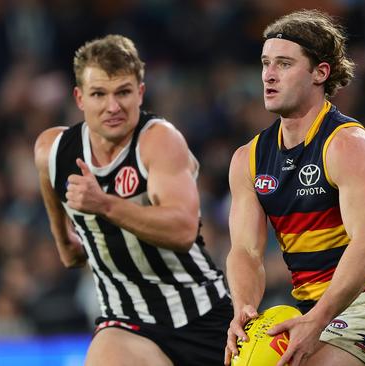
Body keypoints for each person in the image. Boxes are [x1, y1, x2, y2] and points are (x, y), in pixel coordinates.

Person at [224, 10, 365, 366]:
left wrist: (319, 317)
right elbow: (246, 252)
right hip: (309, 311)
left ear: (320, 72)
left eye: (284, 64)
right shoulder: (247, 159)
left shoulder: (347, 144)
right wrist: (244, 310)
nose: (268, 75)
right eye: (265, 63)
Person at [33, 34, 232, 366]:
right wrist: (72, 242)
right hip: (126, 323)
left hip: (202, 316)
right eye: (99, 94)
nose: (113, 107)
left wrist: (105, 205)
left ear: (140, 92)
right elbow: (68, 251)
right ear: (79, 98)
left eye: (123, 92)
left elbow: (183, 231)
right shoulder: (51, 152)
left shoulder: (158, 141)